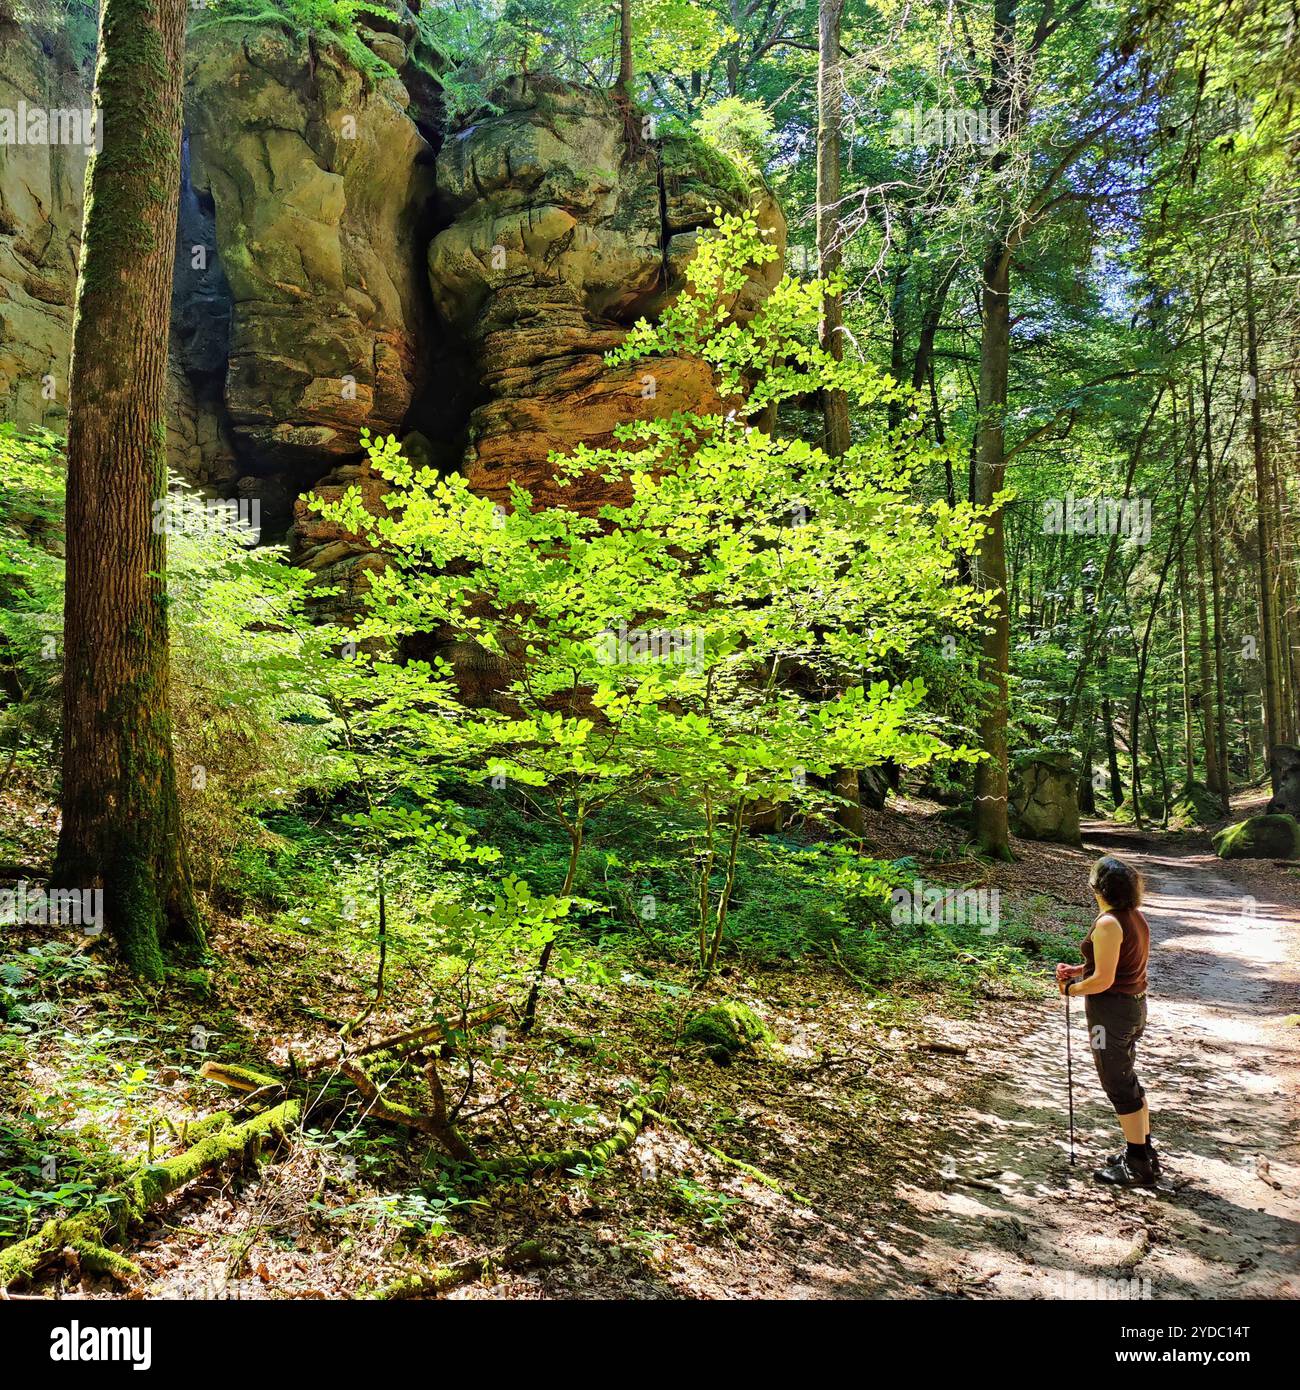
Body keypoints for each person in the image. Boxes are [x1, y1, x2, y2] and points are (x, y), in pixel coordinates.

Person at [1056, 854, 1159, 1187]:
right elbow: (1116, 965)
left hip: (1110, 1015)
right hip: (1132, 1008)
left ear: (1099, 889)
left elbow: (1103, 981)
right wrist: (1079, 970)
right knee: (1127, 1078)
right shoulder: (1134, 917)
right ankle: (1141, 1150)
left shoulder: (1107, 923)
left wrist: (1072, 989)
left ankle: (1138, 1165)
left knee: (1117, 1083)